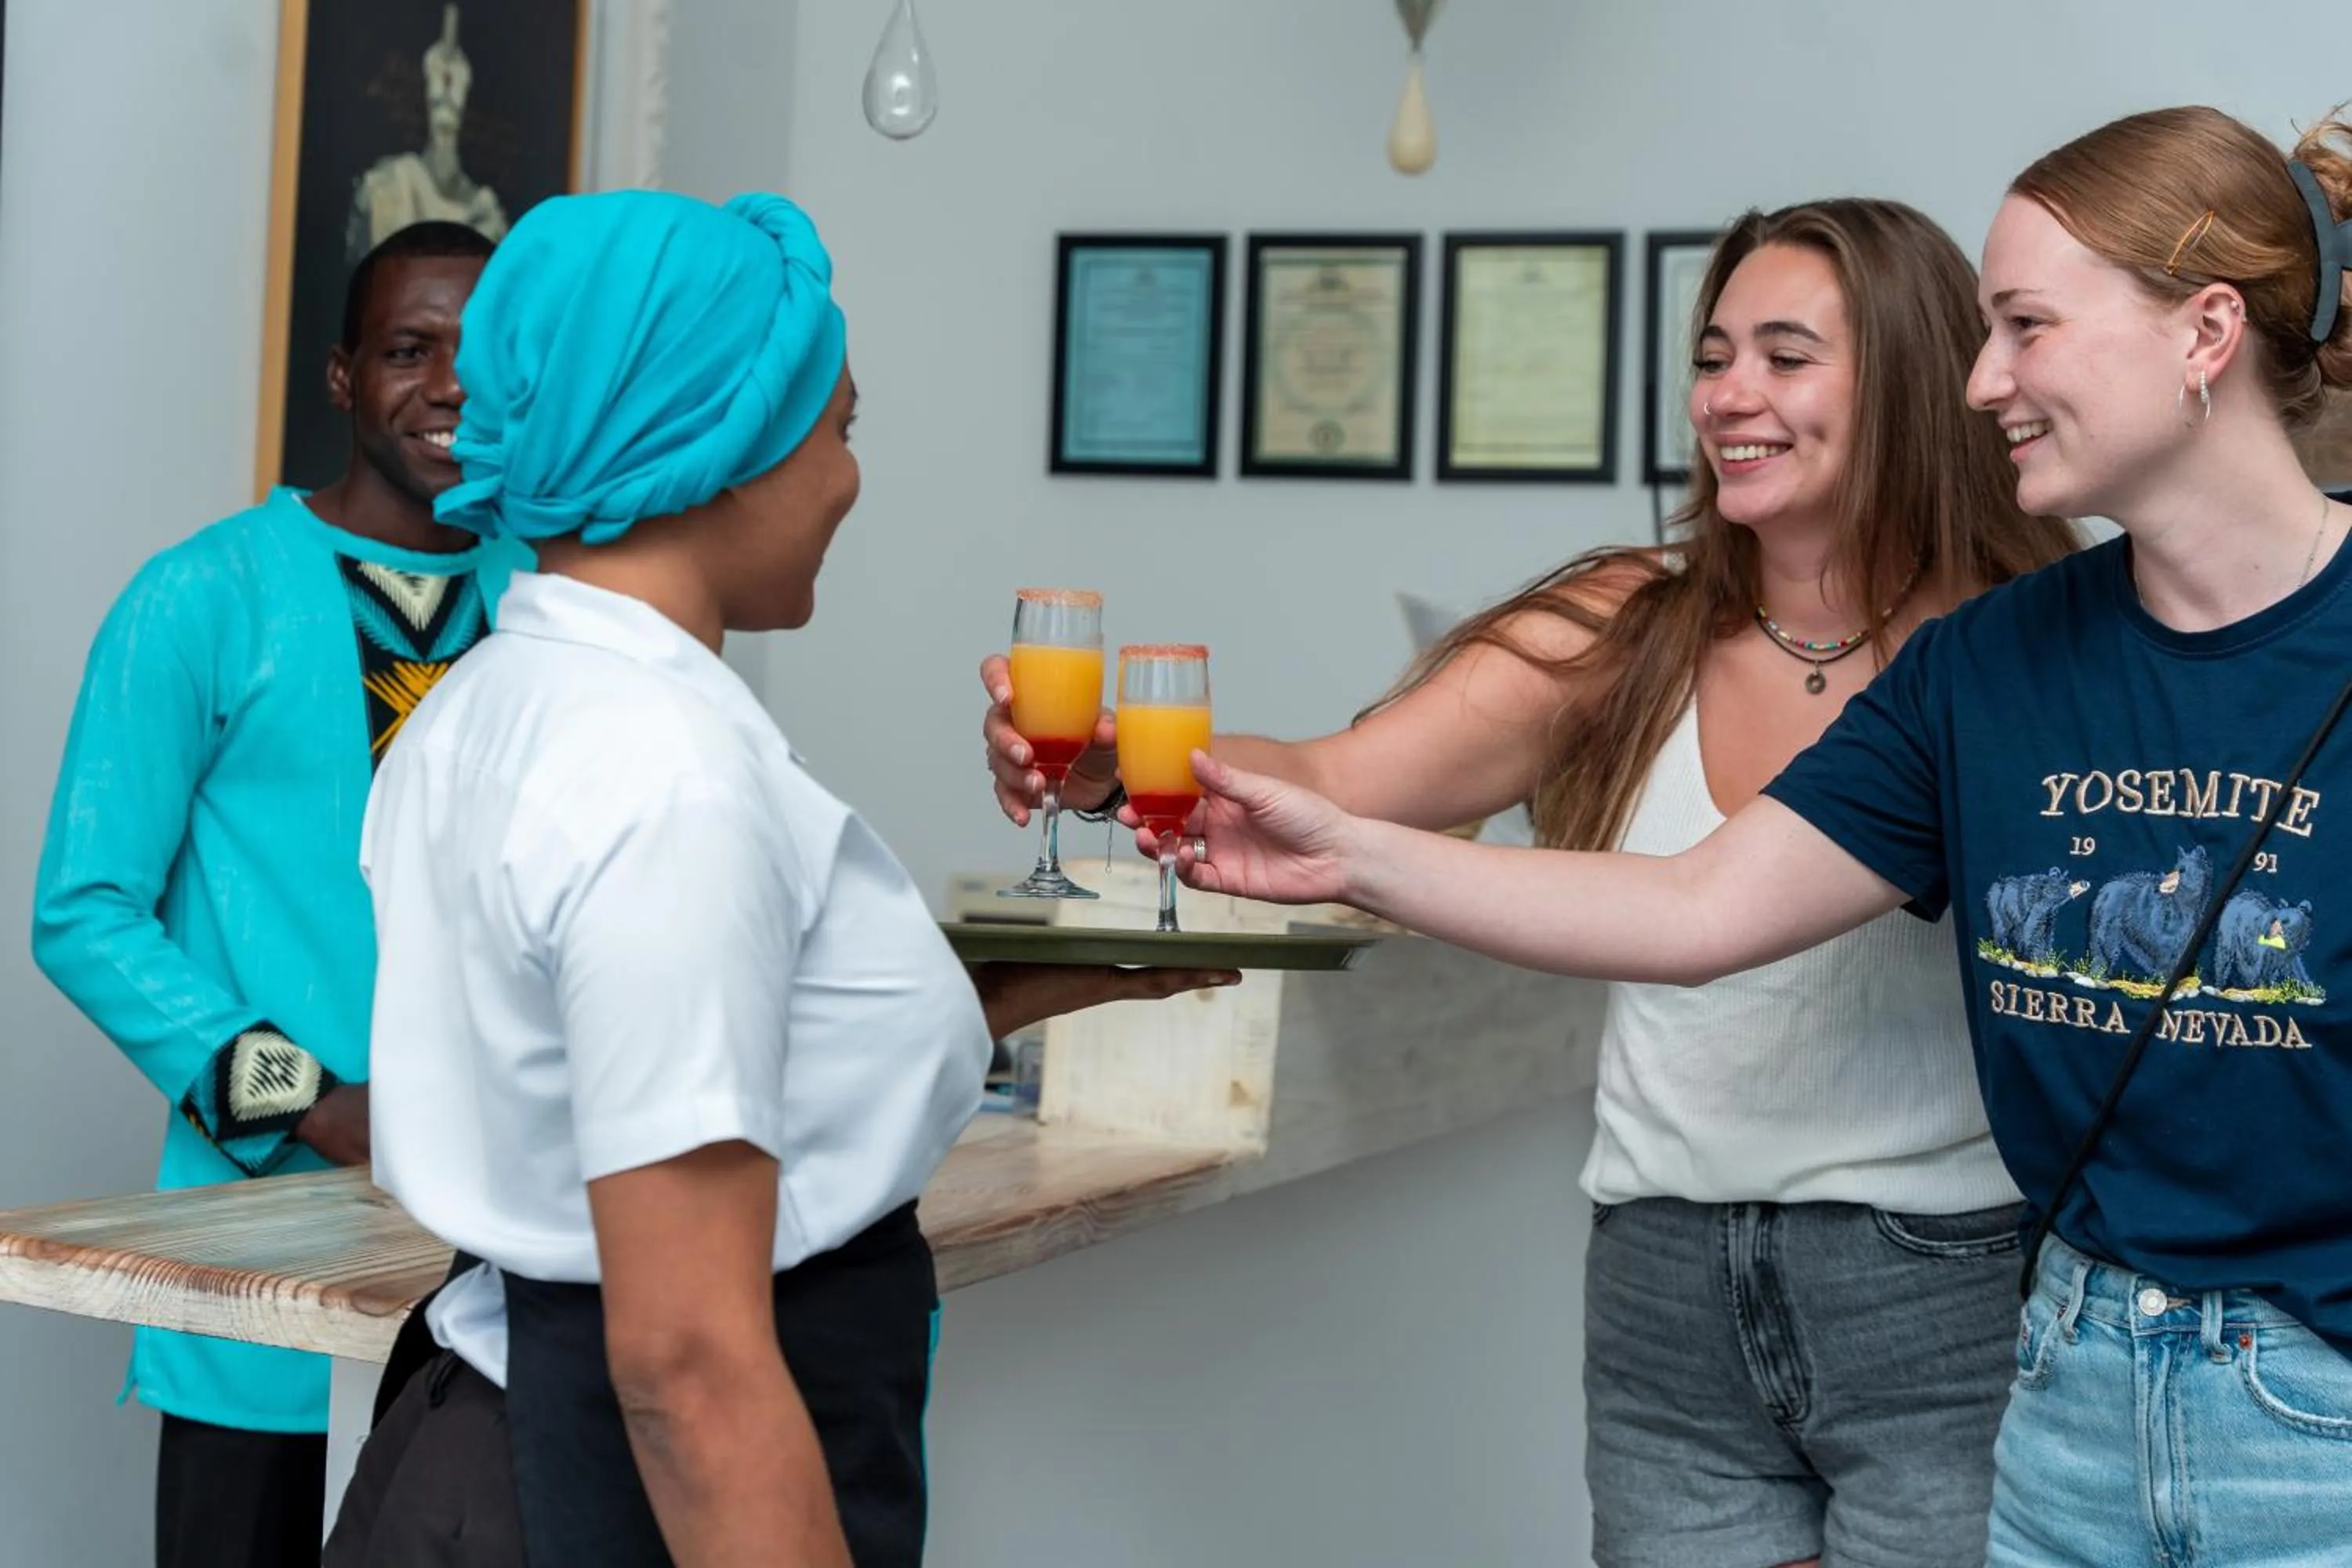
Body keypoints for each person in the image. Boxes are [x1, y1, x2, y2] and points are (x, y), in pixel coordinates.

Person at [1152, 106, 2352, 1563]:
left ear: (2206, 331)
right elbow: (1696, 910)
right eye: (1985, 330)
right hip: (2070, 1395)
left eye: (2027, 327)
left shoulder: (2017, 631)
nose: (1986, 381)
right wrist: (1345, 852)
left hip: (2277, 1402)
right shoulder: (1989, 668)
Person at [985, 199, 2076, 1565]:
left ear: (1911, 381)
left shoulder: (2016, 646)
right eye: (1713, 356)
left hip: (1937, 1287)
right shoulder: (1629, 624)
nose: (1729, 395)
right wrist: (1110, 772)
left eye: (1786, 357)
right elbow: (1335, 776)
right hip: (1665, 1282)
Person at [324, 189, 1235, 1568]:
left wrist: (1012, 985)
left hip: (482, 1444)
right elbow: (687, 1360)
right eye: (838, 428)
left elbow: (607, 1054)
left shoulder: (493, 701)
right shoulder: (663, 772)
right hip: (611, 1494)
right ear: (726, 444)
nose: (848, 480)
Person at [30, 220, 517, 1567]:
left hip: (505, 1254)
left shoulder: (548, 599)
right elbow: (84, 912)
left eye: (483, 353)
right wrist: (315, 1104)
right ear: (343, 377)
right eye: (410, 349)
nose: (452, 385)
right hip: (263, 1256)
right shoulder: (200, 595)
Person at [347, 5, 509, 262]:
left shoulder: (488, 216)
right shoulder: (386, 188)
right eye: (437, 65)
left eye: (457, 67)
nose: (446, 82)